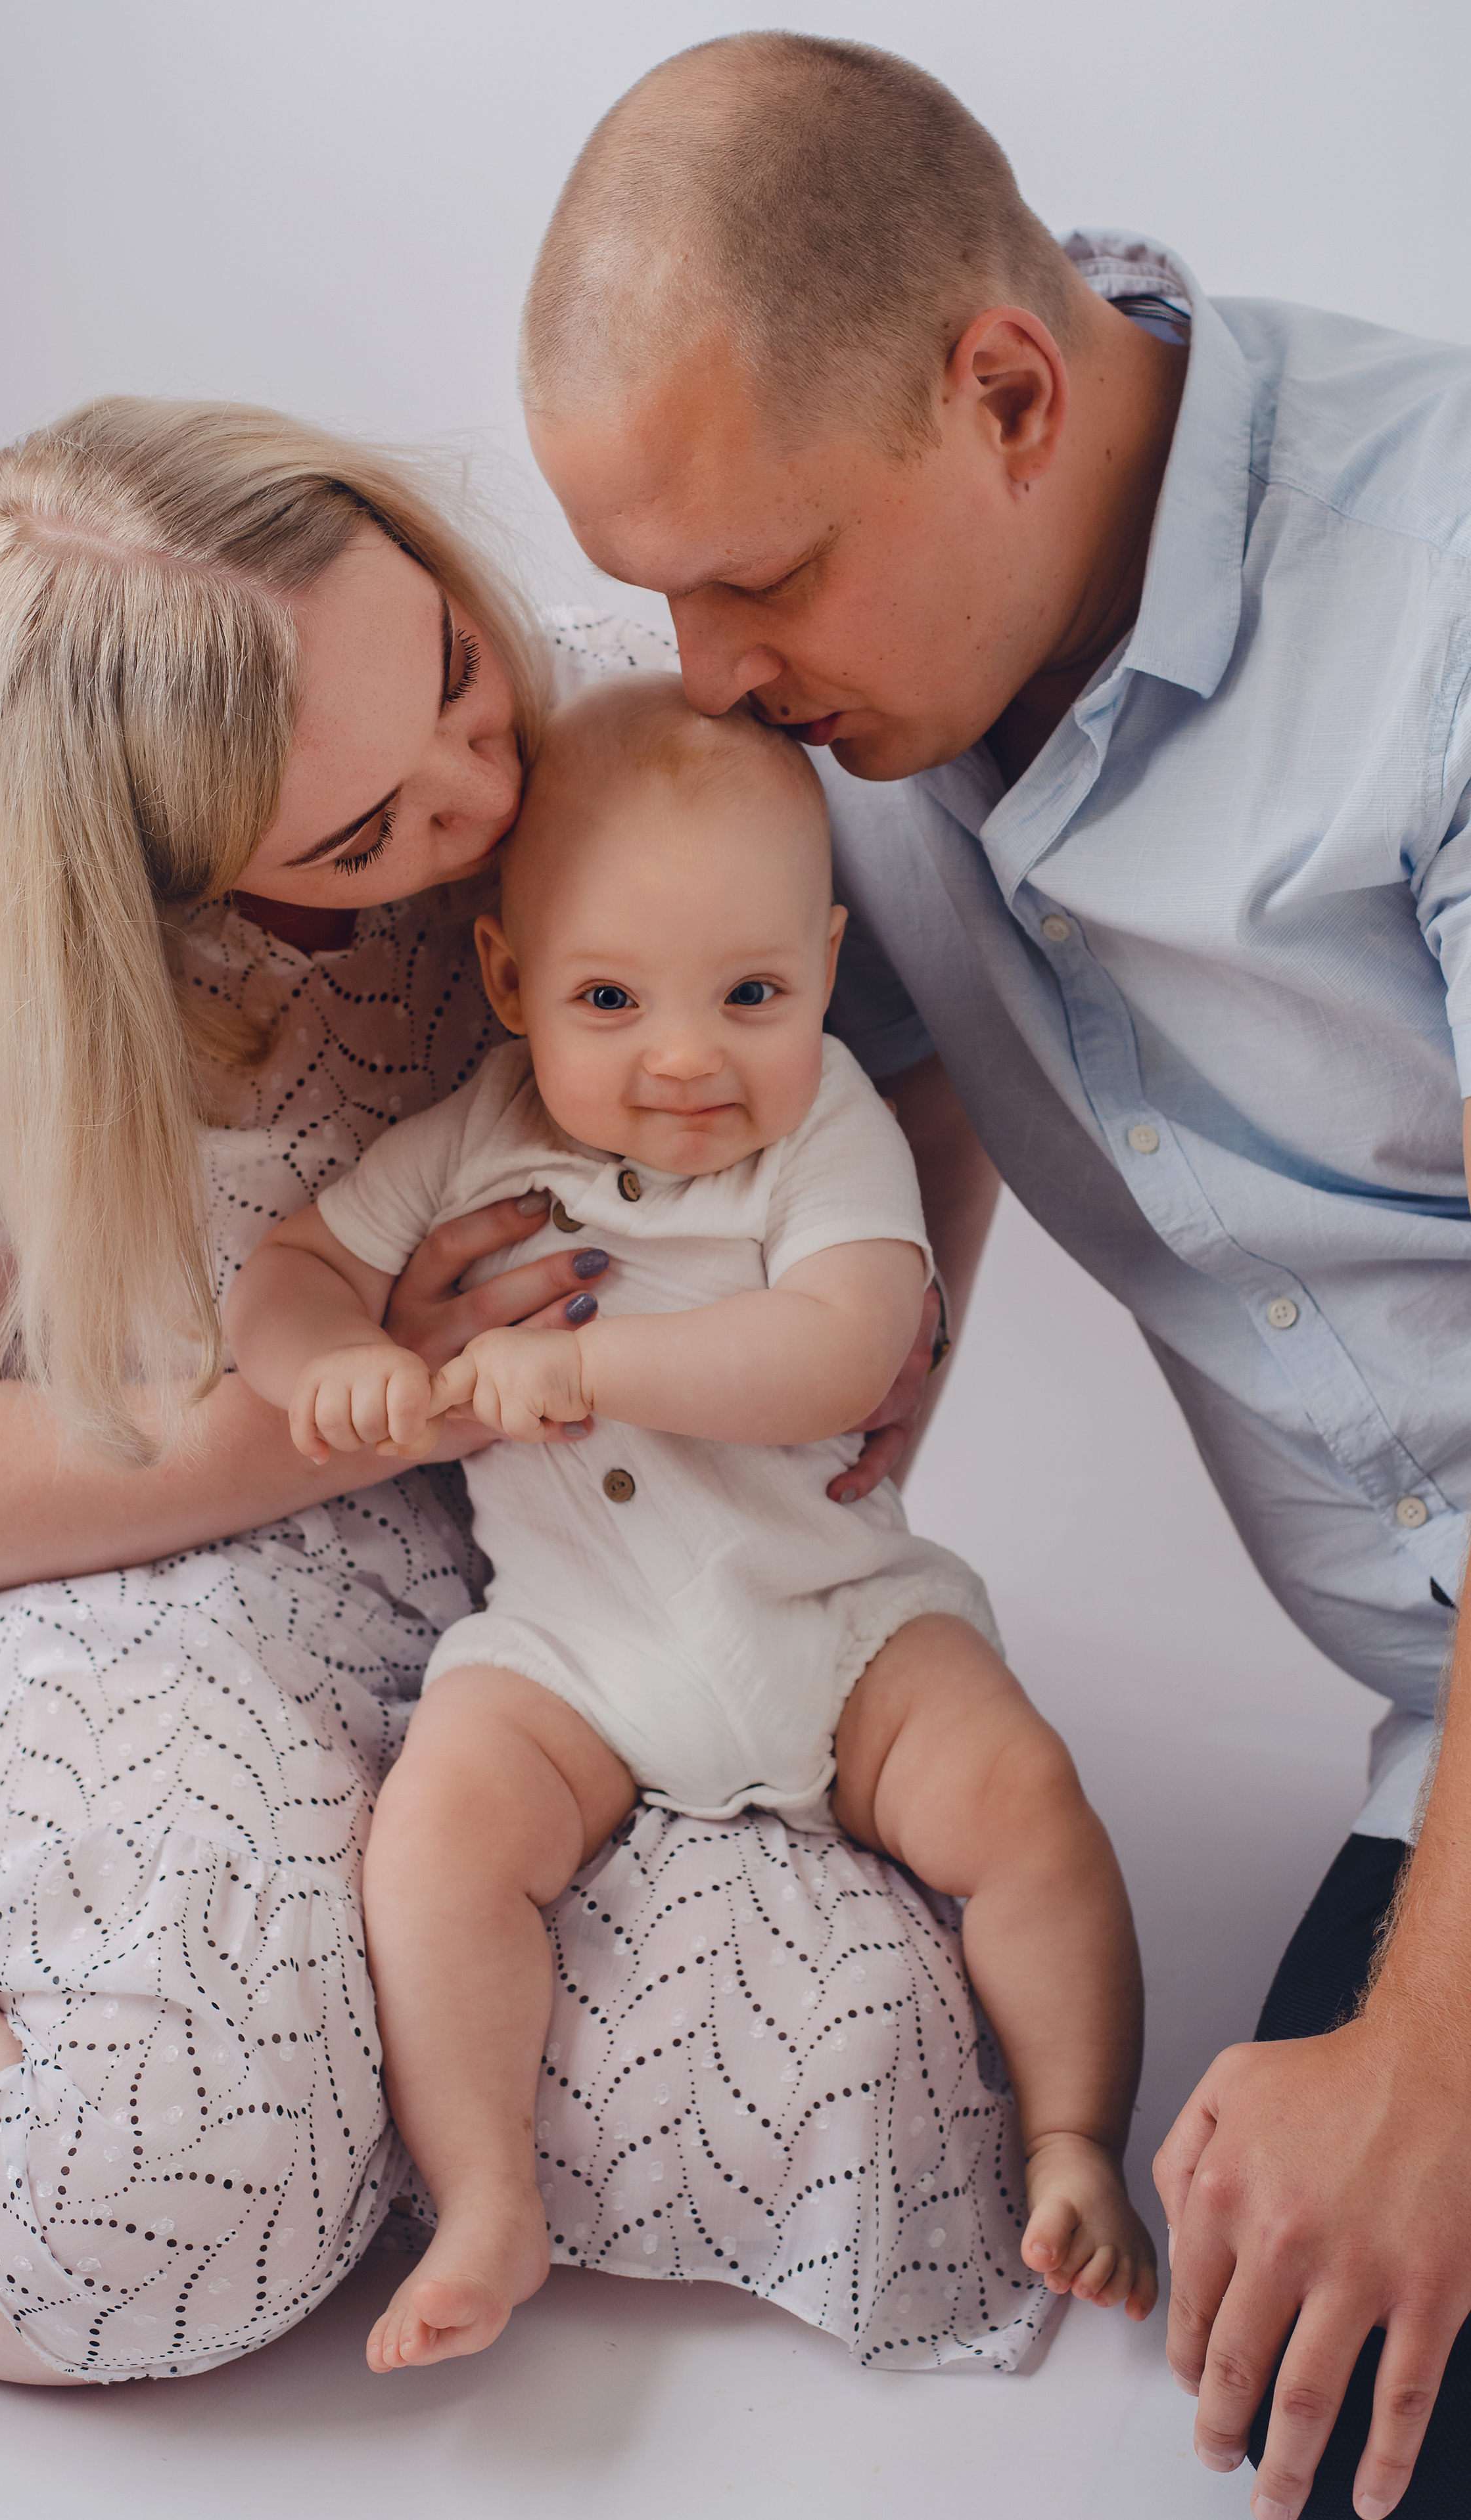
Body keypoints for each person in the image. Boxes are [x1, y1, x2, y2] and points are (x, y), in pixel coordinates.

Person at [0, 393, 1036, 2387]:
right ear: (158, 873)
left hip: (543, 1581)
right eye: (368, 832)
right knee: (167, 2183)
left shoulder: (596, 751)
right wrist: (383, 1394)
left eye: (455, 670)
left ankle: (372, 2077)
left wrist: (915, 1294)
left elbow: (917, 998)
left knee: (882, 2043)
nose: (481, 790)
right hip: (141, 1585)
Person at [520, 30, 1471, 2520]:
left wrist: (1430, 2063)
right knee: (1345, 2406)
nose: (710, 678)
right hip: (1437, 1726)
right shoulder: (862, 696)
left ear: (1010, 392)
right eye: (660, 597)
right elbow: (877, 1044)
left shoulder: (1443, 595)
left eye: (759, 578)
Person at [227, 674, 1157, 2371]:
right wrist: (336, 1366)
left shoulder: (825, 1136)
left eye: (750, 991)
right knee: (435, 1839)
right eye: (608, 995)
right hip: (575, 1654)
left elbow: (847, 1342)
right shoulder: (473, 1142)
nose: (687, 1057)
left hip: (838, 1614)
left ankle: (1076, 2130)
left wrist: (601, 1366)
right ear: (510, 980)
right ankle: (487, 2187)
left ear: (819, 958)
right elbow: (286, 1274)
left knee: (1020, 1798)